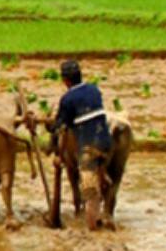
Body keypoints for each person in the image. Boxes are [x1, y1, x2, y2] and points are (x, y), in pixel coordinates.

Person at [49, 59, 113, 231]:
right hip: (106, 141)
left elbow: (61, 125)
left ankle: (93, 228)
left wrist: (51, 127)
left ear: (66, 81)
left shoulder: (67, 99)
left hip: (88, 147)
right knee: (99, 171)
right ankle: (105, 202)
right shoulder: (94, 89)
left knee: (89, 189)